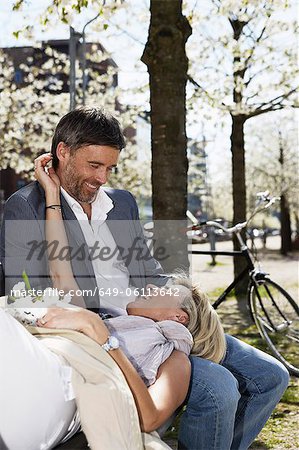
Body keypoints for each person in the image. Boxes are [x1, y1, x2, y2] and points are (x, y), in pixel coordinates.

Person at [0, 107, 289, 450]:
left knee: (272, 375)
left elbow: (145, 268)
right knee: (218, 389)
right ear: (63, 151)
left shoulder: (122, 203)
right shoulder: (27, 207)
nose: (103, 178)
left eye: (110, 168)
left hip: (159, 317)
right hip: (116, 333)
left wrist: (178, 303)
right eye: (94, 166)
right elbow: (25, 294)